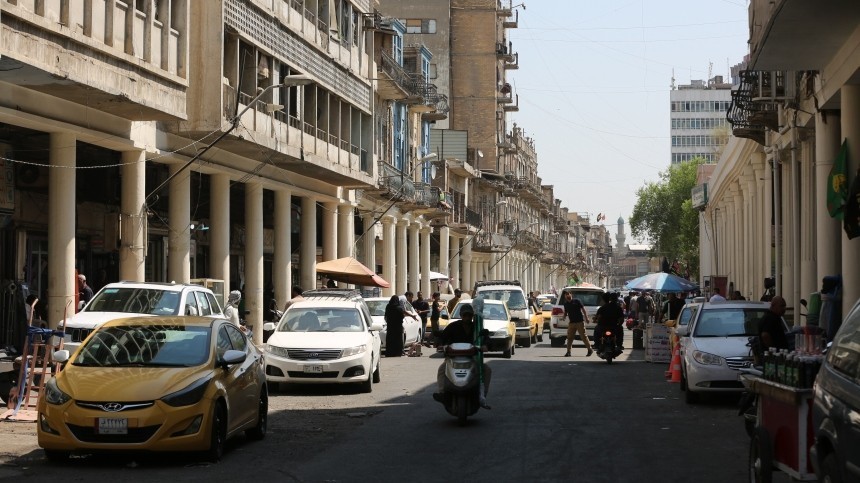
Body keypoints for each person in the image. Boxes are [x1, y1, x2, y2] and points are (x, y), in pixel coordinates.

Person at [433, 303, 491, 405]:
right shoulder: (453, 326)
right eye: (465, 315)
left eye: (469, 315)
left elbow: (485, 337)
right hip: (453, 358)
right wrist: (440, 344)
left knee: (486, 370)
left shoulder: (476, 327)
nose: (467, 318)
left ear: (472, 316)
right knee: (442, 369)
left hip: (472, 359)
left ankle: (481, 396)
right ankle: (442, 393)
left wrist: (485, 345)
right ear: (461, 315)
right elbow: (443, 336)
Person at [562, 290, 592, 357]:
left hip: (579, 322)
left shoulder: (577, 301)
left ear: (571, 294)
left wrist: (586, 318)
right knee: (569, 337)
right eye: (566, 295)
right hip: (572, 323)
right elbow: (566, 312)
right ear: (564, 296)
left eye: (568, 294)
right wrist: (564, 317)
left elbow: (583, 309)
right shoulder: (566, 304)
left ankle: (590, 349)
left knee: (583, 336)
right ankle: (568, 351)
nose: (567, 295)